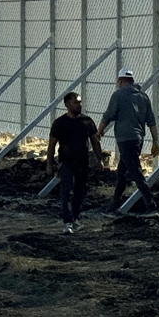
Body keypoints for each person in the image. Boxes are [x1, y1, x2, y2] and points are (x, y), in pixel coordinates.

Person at [98, 68, 159, 213]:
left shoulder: (118, 95)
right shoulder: (143, 97)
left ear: (120, 81)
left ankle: (151, 206)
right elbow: (151, 121)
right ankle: (115, 202)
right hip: (138, 139)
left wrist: (99, 131)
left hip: (124, 139)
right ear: (132, 81)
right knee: (122, 171)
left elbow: (108, 115)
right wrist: (155, 141)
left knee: (136, 172)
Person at [46, 91, 103, 234]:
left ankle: (75, 218)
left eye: (80, 102)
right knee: (66, 191)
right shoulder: (59, 123)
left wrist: (99, 159)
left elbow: (95, 142)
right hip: (66, 162)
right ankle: (67, 222)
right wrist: (49, 163)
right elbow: (52, 145)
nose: (79, 105)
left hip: (83, 162)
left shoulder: (86, 121)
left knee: (80, 191)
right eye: (76, 103)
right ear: (67, 104)